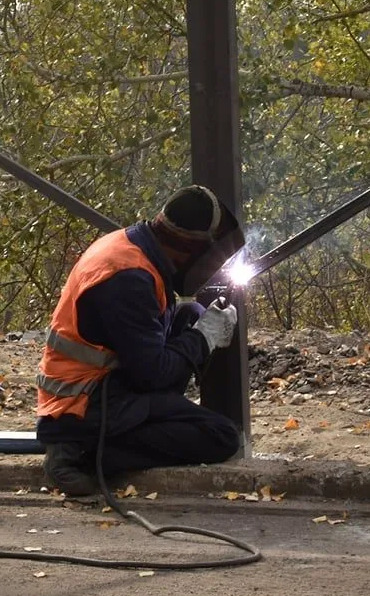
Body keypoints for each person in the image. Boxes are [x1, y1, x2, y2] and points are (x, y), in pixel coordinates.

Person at [36, 185, 245, 498]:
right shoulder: (128, 278)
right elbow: (153, 374)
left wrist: (197, 327)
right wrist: (204, 337)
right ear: (191, 248)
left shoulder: (132, 245)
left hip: (106, 383)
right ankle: (81, 456)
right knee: (222, 436)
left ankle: (109, 437)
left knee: (190, 314)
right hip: (84, 405)